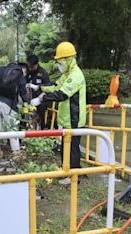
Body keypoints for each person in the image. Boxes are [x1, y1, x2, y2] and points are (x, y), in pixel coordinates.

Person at [28, 42, 86, 185]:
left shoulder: (75, 76)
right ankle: (68, 171)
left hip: (74, 118)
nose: (59, 64)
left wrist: (41, 100)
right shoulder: (67, 74)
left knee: (72, 148)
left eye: (60, 61)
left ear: (68, 59)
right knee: (66, 147)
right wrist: (39, 87)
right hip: (66, 118)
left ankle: (74, 176)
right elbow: (55, 86)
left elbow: (62, 94)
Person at [25, 54, 51, 129]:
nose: (30, 68)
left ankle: (42, 129)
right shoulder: (27, 72)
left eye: (32, 67)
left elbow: (48, 87)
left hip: (40, 100)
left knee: (41, 110)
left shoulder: (43, 73)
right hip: (28, 99)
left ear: (36, 64)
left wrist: (40, 97)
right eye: (29, 66)